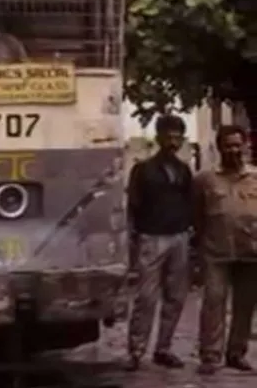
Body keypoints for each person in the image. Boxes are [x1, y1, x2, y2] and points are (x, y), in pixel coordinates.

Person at [125, 115, 193, 371]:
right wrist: (133, 237)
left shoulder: (184, 169)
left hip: (179, 236)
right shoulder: (143, 169)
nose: (173, 141)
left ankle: (163, 348)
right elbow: (133, 204)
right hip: (151, 236)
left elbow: (189, 202)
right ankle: (136, 350)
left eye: (178, 136)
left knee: (176, 297)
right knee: (146, 297)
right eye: (169, 136)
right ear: (159, 137)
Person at [194, 124, 257, 375]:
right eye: (227, 145)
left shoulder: (255, 177)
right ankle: (210, 355)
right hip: (216, 251)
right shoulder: (204, 179)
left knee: (245, 306)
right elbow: (196, 214)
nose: (233, 150)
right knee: (213, 302)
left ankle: (236, 353)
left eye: (237, 145)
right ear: (219, 148)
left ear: (244, 146)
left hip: (250, 252)